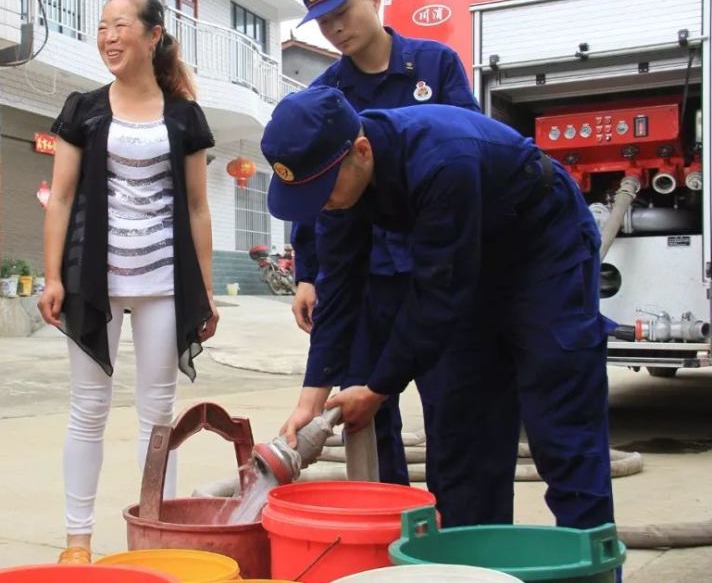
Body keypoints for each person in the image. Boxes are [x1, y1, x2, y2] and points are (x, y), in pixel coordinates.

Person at [262, 86, 616, 532]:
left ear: (362, 151)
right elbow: (341, 287)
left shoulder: (442, 161)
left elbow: (437, 294)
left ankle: (595, 569)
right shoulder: (339, 182)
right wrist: (309, 402)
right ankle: (474, 569)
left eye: (322, 191)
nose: (321, 204)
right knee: (464, 430)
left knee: (560, 423)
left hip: (543, 248)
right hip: (468, 256)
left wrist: (377, 388)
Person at [283, 0, 480, 488]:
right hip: (364, 273)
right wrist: (307, 272)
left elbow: (469, 152)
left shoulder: (435, 65)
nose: (336, 30)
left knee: (451, 408)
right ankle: (386, 522)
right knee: (365, 412)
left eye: (343, 13)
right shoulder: (326, 93)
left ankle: (449, 525)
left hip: (433, 266)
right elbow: (315, 195)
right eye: (323, 23)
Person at [39, 0, 219, 565]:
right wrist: (51, 277)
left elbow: (196, 207)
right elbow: (61, 199)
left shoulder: (184, 116)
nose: (109, 37)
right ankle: (77, 539)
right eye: (102, 27)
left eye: (121, 26)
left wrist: (207, 291)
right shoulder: (84, 109)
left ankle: (156, 530)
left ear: (152, 36)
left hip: (166, 281)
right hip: (95, 279)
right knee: (88, 407)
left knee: (156, 415)